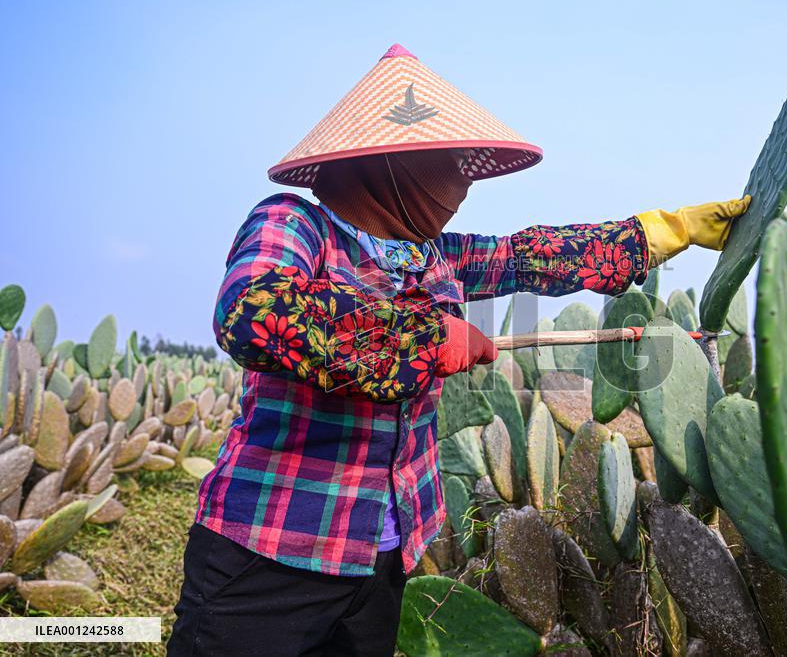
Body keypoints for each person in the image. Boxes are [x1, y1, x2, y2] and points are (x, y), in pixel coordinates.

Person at [167, 44, 749, 656]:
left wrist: (664, 231)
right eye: (443, 161)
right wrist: (424, 338)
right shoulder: (294, 227)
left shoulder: (432, 255)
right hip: (273, 547)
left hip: (383, 547)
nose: (460, 180)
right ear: (386, 164)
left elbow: (532, 255)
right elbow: (253, 311)